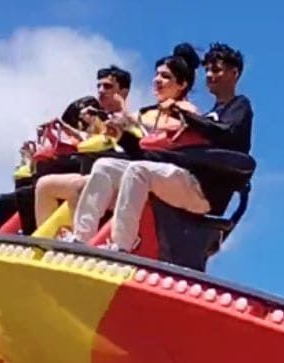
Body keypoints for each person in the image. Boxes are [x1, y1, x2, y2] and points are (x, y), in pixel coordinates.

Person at [69, 44, 206, 249]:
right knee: (104, 166)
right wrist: (109, 123)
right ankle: (81, 236)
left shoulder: (186, 109)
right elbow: (130, 128)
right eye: (157, 75)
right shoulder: (152, 111)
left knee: (136, 170)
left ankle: (122, 244)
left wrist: (135, 121)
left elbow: (173, 128)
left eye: (166, 77)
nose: (158, 80)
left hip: (180, 176)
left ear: (182, 85)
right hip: (153, 170)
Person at [32, 65, 134, 228]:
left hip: (115, 178)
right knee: (43, 181)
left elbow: (125, 139)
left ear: (123, 92)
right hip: (91, 174)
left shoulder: (128, 118)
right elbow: (88, 140)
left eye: (107, 86)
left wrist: (119, 111)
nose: (101, 91)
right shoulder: (100, 119)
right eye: (99, 86)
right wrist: (64, 127)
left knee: (54, 185)